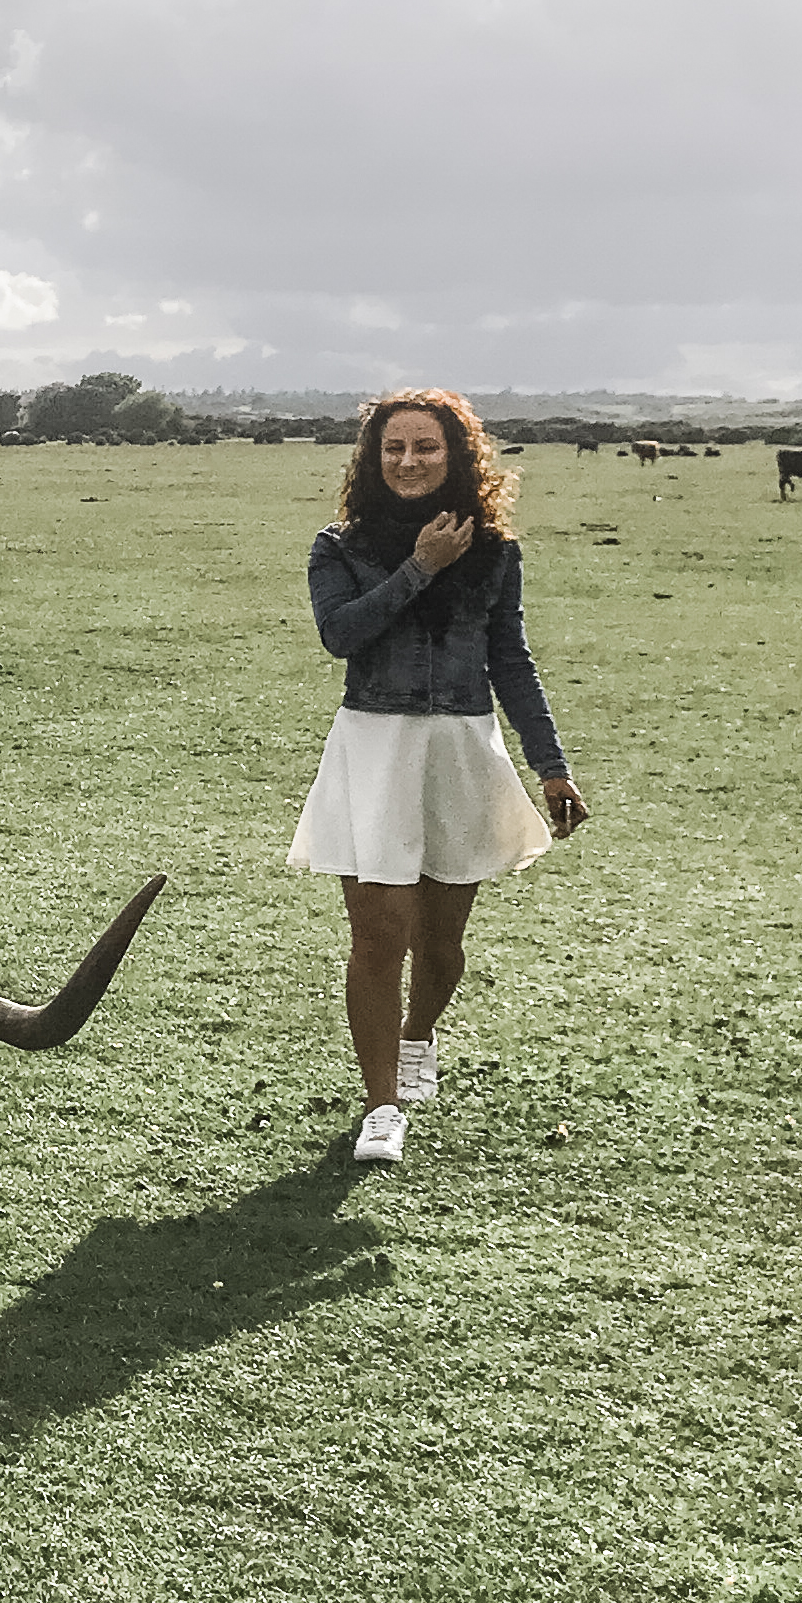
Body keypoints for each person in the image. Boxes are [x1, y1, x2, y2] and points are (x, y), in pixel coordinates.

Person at [289, 389, 589, 1166]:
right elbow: (341, 634)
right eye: (394, 449)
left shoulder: (493, 551)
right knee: (377, 937)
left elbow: (511, 663)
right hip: (375, 748)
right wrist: (422, 566)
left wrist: (551, 768)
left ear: (457, 457)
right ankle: (381, 1107)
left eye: (426, 448)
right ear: (372, 458)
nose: (409, 461)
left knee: (441, 940)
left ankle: (418, 1036)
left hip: (463, 747)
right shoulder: (339, 547)